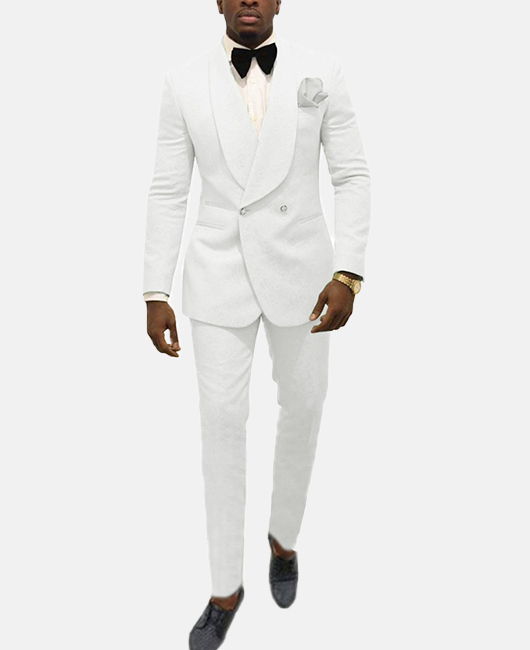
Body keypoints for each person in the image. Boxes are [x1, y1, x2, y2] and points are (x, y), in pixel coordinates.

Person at [143, 1, 371, 648]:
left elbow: (351, 174)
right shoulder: (181, 82)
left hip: (307, 275)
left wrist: (349, 272)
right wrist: (155, 288)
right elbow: (168, 189)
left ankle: (283, 538)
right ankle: (225, 588)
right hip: (217, 274)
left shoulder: (323, 71)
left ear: (277, 2)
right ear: (218, 1)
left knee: (305, 407)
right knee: (220, 426)